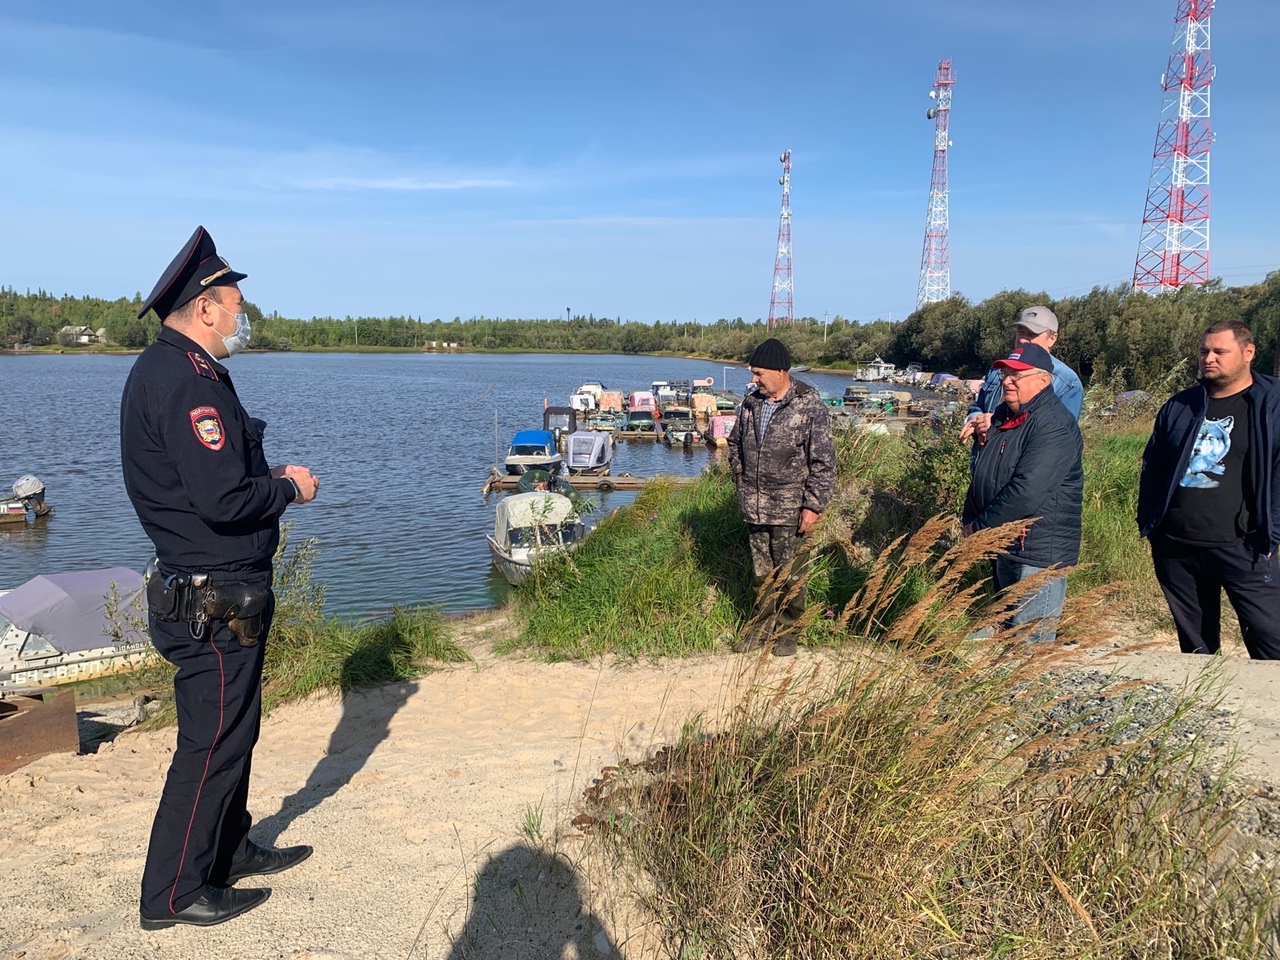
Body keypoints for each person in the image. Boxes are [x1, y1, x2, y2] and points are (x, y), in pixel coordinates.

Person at [120, 226, 320, 930]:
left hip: (221, 592)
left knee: (235, 732)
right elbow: (221, 500)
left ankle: (229, 852)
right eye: (236, 301)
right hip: (209, 599)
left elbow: (217, 481)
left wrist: (261, 481)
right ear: (205, 306)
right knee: (208, 744)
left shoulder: (187, 371)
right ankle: (172, 894)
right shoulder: (181, 381)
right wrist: (290, 487)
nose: (243, 315)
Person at [1138, 320, 1280, 660]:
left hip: (1243, 546)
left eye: (1220, 351)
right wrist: (1152, 524)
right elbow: (1153, 466)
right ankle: (1205, 708)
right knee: (1197, 649)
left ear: (1248, 353)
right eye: (1204, 351)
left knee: (1270, 637)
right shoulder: (1182, 405)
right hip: (1176, 547)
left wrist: (1271, 531)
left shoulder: (1270, 405)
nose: (1209, 359)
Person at [961, 342, 1084, 642]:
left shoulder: (1054, 425)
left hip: (1038, 552)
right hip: (1006, 544)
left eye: (1017, 375)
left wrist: (978, 528)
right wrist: (971, 516)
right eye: (1005, 374)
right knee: (1007, 632)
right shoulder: (1004, 415)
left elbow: (1026, 491)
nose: (1007, 381)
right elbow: (985, 473)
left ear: (1044, 381)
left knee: (1029, 646)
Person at [727, 338, 835, 656]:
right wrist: (740, 476)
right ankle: (759, 630)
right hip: (755, 507)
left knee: (791, 575)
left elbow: (824, 461)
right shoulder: (751, 403)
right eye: (753, 373)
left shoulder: (809, 402)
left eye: (759, 373)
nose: (753, 379)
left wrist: (813, 505)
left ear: (780, 371)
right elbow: (734, 443)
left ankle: (788, 633)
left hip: (792, 509)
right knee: (761, 575)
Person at [960, 305, 1084, 447]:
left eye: (1031, 334)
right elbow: (978, 405)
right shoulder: (998, 369)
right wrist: (975, 419)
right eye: (1021, 332)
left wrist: (996, 423)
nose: (1023, 340)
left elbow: (1060, 436)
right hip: (986, 462)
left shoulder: (1067, 382)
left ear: (1052, 339)